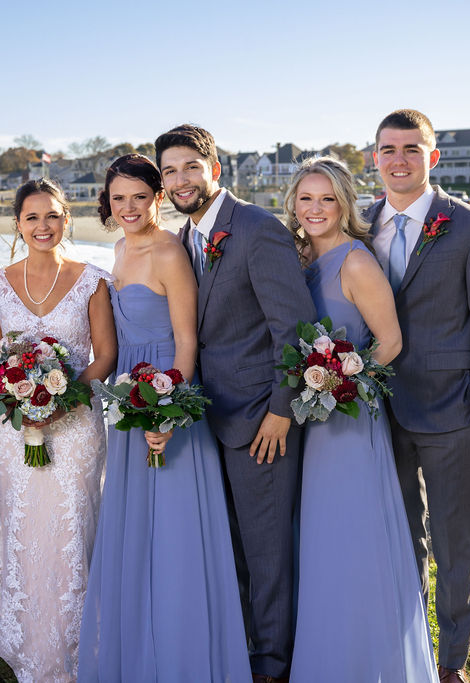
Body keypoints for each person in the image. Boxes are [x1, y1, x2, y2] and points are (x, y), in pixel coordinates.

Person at [77, 154, 252, 682]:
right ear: (107, 204)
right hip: (129, 402)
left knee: (174, 531)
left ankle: (180, 655)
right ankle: (137, 648)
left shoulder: (170, 252)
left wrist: (166, 411)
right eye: (118, 198)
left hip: (165, 401)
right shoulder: (118, 249)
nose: (128, 207)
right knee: (137, 527)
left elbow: (186, 341)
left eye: (138, 196)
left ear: (156, 197)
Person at [156, 125, 316, 682]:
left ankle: (274, 666)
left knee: (268, 553)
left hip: (259, 421)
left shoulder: (255, 229)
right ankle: (246, 651)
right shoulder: (184, 240)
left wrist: (279, 412)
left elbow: (295, 332)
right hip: (208, 423)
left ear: (214, 170)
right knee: (233, 551)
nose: (180, 180)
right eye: (170, 171)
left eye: (190, 168)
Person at [365, 109, 470, 683]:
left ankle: (451, 663)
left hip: (452, 406)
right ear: (373, 157)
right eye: (388, 149)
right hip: (375, 408)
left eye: (410, 149)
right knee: (400, 535)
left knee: (454, 543)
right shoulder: (361, 223)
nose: (399, 160)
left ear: (433, 156)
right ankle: (411, 649)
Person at [283, 157, 438, 682]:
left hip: (347, 419)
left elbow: (390, 341)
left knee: (351, 537)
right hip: (308, 419)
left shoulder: (356, 261)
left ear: (344, 204)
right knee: (318, 539)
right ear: (293, 205)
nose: (316, 208)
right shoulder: (300, 257)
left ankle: (367, 664)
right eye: (306, 199)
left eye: (327, 199)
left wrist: (339, 380)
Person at [0, 178, 116, 683]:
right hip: (17, 432)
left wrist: (62, 399)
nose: (43, 226)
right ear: (18, 224)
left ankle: (82, 646)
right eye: (32, 217)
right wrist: (26, 401)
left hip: (77, 427)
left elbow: (104, 355)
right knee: (21, 528)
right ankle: (26, 648)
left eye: (52, 216)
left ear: (67, 220)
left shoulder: (92, 281)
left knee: (71, 529)